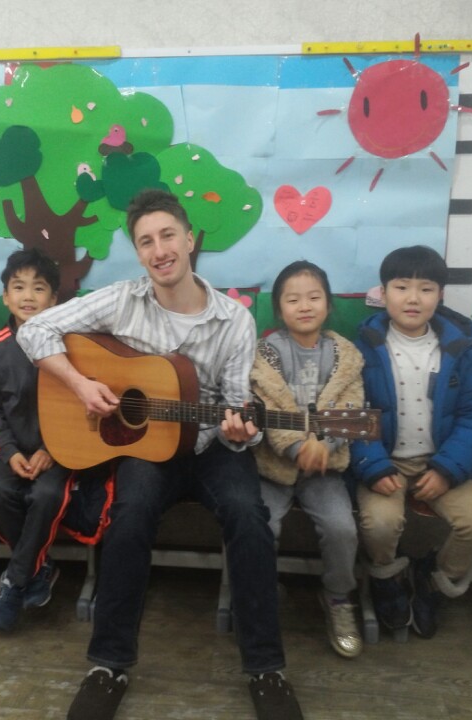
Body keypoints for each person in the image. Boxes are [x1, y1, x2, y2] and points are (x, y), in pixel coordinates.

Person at [17, 189, 303, 720]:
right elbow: (35, 329)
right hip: (147, 449)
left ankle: (266, 670)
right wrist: (80, 384)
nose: (159, 250)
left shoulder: (233, 319)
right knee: (128, 516)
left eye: (168, 235)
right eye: (146, 241)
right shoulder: (121, 300)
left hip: (213, 445)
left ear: (190, 239)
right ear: (138, 252)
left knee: (249, 516)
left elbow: (237, 402)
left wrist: (240, 430)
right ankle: (108, 665)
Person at [348, 245, 472, 639]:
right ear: (383, 293)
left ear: (440, 295)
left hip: (441, 461)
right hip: (385, 460)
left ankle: (433, 581)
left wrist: (447, 469)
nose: (413, 298)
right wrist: (374, 467)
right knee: (380, 524)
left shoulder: (461, 348)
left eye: (425, 289)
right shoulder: (361, 347)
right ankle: (387, 579)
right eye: (401, 287)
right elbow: (352, 414)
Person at [249, 260, 365, 658]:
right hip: (273, 467)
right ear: (279, 309)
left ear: (328, 305)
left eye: (314, 297)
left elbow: (352, 408)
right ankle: (261, 594)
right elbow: (265, 407)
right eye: (293, 299)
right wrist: (299, 447)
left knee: (342, 528)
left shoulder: (345, 355)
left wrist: (324, 444)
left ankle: (338, 597)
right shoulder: (267, 354)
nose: (304, 306)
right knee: (261, 526)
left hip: (325, 470)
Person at [0, 248, 70, 631]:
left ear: (54, 298)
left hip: (59, 452)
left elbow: (80, 407)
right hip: (11, 451)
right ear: (5, 296)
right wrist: (10, 452)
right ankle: (38, 569)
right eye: (18, 287)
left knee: (46, 495)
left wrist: (51, 450)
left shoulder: (71, 345)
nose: (28, 296)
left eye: (39, 287)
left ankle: (15, 581)